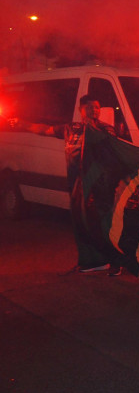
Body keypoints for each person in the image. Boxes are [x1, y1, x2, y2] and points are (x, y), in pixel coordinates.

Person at [8, 94, 122, 275]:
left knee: (103, 225)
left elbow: (115, 154)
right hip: (77, 185)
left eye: (97, 107)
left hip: (100, 187)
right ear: (81, 109)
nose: (95, 110)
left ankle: (115, 262)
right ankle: (91, 261)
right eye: (90, 107)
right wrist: (22, 124)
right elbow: (44, 129)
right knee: (81, 224)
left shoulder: (106, 130)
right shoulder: (71, 129)